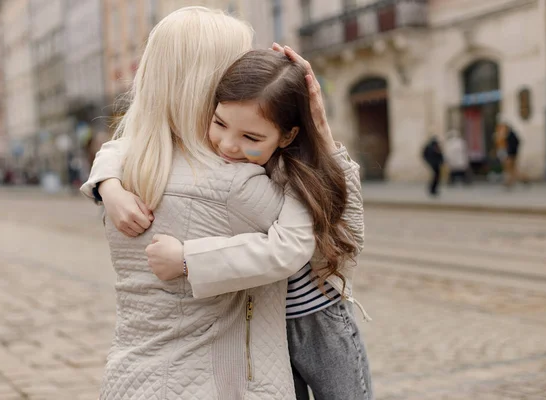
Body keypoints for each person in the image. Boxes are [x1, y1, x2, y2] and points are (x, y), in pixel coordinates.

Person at [81, 8, 371, 400]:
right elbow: (339, 236)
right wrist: (323, 137)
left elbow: (116, 148)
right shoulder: (237, 183)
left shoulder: (133, 165)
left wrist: (107, 184)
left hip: (131, 376)